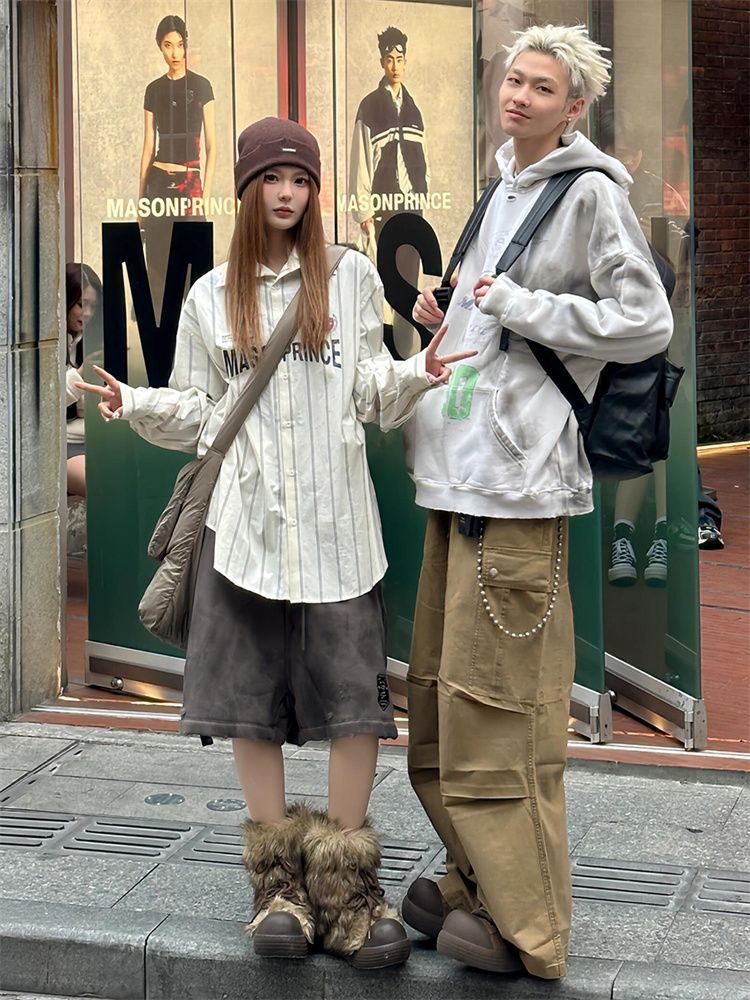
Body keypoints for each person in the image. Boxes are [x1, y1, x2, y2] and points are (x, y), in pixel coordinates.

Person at [78, 117, 472, 970]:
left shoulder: (351, 277)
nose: (287, 192)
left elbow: (368, 390)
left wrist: (420, 372)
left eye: (300, 179)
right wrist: (133, 403)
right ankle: (278, 889)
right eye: (271, 178)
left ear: (315, 191)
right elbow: (199, 409)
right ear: (248, 189)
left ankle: (348, 892)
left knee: (355, 706)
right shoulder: (211, 294)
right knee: (247, 707)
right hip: (244, 533)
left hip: (340, 532)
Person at [401, 24, 673, 980]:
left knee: (502, 714)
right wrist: (449, 312)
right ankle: (472, 881)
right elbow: (488, 316)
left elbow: (645, 320)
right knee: (441, 706)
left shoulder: (590, 192)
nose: (518, 96)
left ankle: (530, 928)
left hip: (519, 489)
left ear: (574, 107)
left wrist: (519, 306)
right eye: (513, 80)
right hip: (458, 475)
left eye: (541, 87)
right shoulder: (501, 185)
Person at [139, 14, 215, 316]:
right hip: (158, 181)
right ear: (160, 47)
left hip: (190, 182)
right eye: (168, 45)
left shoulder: (202, 86)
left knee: (194, 267)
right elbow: (148, 146)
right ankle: (161, 332)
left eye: (180, 45)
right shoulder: (154, 89)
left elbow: (212, 146)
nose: (175, 53)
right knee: (158, 263)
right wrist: (141, 201)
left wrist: (206, 195)